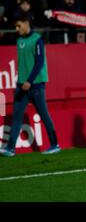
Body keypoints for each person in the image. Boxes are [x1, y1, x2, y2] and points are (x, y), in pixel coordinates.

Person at [0, 13, 60, 157]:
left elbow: (39, 63)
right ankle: (10, 148)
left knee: (44, 115)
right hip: (22, 86)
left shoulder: (37, 40)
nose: (16, 28)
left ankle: (54, 144)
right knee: (16, 117)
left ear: (27, 23)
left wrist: (29, 81)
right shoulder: (19, 39)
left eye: (19, 25)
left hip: (36, 86)